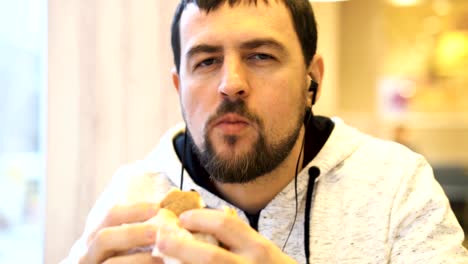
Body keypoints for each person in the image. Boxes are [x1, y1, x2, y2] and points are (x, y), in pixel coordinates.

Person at [63, 0, 468, 263]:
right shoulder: (131, 197)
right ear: (179, 88)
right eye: (206, 61)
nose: (231, 83)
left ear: (312, 80)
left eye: (260, 56)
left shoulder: (397, 187)